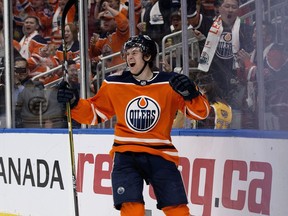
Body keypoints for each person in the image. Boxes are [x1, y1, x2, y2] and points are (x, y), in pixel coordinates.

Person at [57, 35, 210, 215]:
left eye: (135, 53)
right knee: (132, 211)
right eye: (127, 53)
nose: (129, 57)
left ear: (147, 56)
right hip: (126, 154)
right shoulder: (114, 83)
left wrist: (191, 95)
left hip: (161, 154)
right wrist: (74, 103)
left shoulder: (170, 83)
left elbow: (201, 113)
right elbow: (93, 113)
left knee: (178, 211)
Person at [187, 0, 254, 129]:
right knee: (210, 119)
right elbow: (192, 19)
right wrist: (190, 4)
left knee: (234, 122)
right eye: (227, 6)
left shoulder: (246, 30)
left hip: (235, 84)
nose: (230, 10)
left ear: (239, 10)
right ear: (219, 8)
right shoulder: (210, 24)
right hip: (213, 82)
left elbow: (250, 52)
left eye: (234, 7)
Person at [237, 21, 288, 130]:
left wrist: (247, 63)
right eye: (254, 32)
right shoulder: (252, 54)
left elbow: (265, 77)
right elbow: (243, 81)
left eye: (258, 33)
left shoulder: (276, 52)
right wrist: (241, 67)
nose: (254, 36)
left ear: (268, 38)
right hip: (255, 107)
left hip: (275, 107)